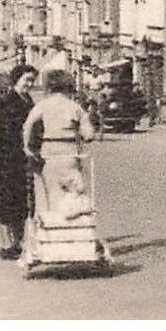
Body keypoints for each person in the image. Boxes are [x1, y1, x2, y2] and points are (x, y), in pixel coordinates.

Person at [23, 71, 99, 224]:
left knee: (50, 194)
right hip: (70, 153)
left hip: (48, 153)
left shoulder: (42, 105)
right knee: (72, 192)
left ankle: (51, 229)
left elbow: (28, 125)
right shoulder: (75, 107)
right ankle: (71, 230)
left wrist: (27, 147)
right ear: (69, 88)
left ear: (49, 87)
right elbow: (89, 135)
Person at [0, 64, 38, 260]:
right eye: (27, 80)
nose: (30, 84)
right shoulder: (7, 101)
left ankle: (18, 243)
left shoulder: (27, 100)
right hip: (7, 159)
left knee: (21, 203)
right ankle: (7, 244)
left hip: (22, 159)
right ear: (16, 80)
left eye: (32, 81)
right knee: (5, 203)